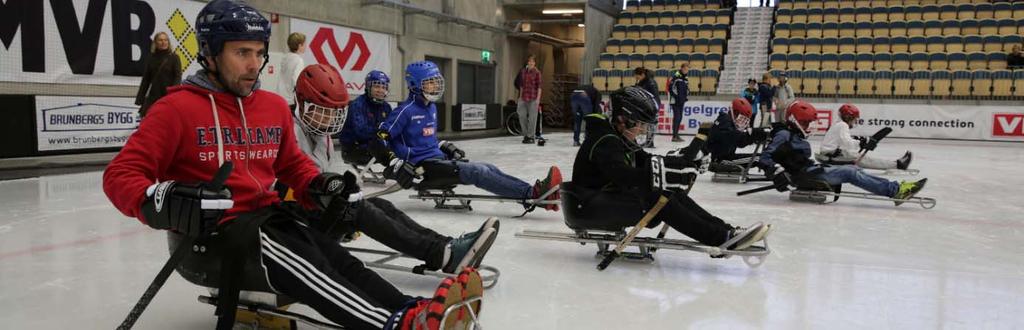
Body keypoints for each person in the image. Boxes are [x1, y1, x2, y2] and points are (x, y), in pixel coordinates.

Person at [101, 2, 481, 329]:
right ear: (211, 54)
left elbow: (293, 165)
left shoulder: (269, 108)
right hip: (212, 242)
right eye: (242, 53)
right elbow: (120, 175)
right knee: (304, 262)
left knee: (335, 258)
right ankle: (392, 324)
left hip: (267, 218)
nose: (254, 64)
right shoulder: (175, 109)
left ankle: (408, 308)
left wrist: (319, 183)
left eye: (259, 52)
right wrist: (160, 199)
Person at [288, 63, 499, 275]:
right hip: (299, 223)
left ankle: (447, 246)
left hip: (321, 209)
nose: (328, 119)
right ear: (301, 102)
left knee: (382, 205)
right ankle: (441, 254)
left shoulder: (321, 134)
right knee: (360, 209)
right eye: (322, 112)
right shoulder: (289, 132)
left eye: (333, 112)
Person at [568, 87, 772, 252]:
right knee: (657, 198)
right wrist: (665, 175)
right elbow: (623, 176)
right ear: (623, 119)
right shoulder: (605, 140)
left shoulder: (616, 138)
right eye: (640, 124)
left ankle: (725, 230)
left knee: (669, 191)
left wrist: (684, 164)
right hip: (587, 207)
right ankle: (721, 237)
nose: (641, 130)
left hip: (599, 201)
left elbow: (649, 161)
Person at [376, 60, 562, 211]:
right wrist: (394, 163)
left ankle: (532, 191)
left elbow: (426, 139)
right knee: (478, 172)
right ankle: (533, 194)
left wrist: (442, 145)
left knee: (488, 167)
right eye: (429, 82)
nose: (435, 86)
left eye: (436, 81)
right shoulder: (405, 111)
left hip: (437, 160)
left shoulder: (430, 107)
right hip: (422, 168)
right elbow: (379, 138)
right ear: (415, 85)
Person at [758, 101, 927, 206]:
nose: (809, 126)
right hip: (803, 176)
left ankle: (896, 187)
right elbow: (765, 157)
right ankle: (896, 191)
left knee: (856, 170)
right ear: (795, 121)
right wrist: (776, 171)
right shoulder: (783, 135)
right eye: (806, 122)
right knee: (850, 171)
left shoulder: (793, 135)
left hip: (809, 170)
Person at [815, 104, 912, 170]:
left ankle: (894, 163)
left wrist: (857, 140)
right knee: (863, 159)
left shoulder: (838, 124)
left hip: (830, 154)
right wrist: (860, 142)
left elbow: (842, 141)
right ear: (848, 117)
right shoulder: (843, 125)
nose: (855, 121)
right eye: (854, 119)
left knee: (857, 155)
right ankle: (897, 165)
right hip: (831, 156)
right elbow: (847, 143)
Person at [336, 70, 393, 166]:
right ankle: (396, 173)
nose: (380, 90)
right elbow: (362, 132)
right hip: (353, 149)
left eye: (384, 87)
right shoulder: (357, 105)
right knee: (388, 151)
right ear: (368, 87)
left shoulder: (386, 107)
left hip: (375, 145)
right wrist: (382, 134)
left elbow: (391, 128)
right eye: (376, 86)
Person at [707, 98, 770, 172]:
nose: (742, 122)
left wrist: (755, 134)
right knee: (759, 158)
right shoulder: (724, 123)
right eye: (742, 118)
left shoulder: (727, 122)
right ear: (735, 113)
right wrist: (755, 133)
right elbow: (740, 140)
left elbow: (740, 141)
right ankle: (775, 173)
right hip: (721, 161)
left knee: (761, 157)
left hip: (725, 158)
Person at [135, 31, 182, 117]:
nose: (163, 42)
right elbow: (146, 80)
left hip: (168, 96)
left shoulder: (174, 58)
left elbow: (178, 77)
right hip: (154, 96)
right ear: (155, 43)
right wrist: (140, 98)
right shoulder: (151, 58)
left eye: (165, 40)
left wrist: (172, 94)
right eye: (160, 40)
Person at [517, 55, 543, 144]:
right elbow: (521, 85)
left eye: (532, 61)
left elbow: (539, 87)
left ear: (535, 63)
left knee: (532, 118)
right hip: (523, 97)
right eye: (529, 61)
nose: (531, 63)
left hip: (533, 98)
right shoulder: (523, 71)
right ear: (527, 62)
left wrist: (538, 100)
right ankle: (526, 135)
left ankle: (531, 136)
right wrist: (520, 97)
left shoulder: (537, 73)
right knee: (521, 115)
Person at [278, 32, 306, 111]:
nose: (305, 46)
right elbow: (297, 81)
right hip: (291, 101)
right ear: (300, 46)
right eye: (304, 44)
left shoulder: (285, 58)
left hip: (280, 97)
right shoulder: (299, 60)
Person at [633, 67, 660, 148]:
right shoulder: (642, 81)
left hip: (652, 105)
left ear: (642, 75)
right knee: (645, 123)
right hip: (646, 105)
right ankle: (647, 142)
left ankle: (650, 143)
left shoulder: (650, 82)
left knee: (651, 123)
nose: (636, 78)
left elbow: (653, 96)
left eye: (637, 77)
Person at [668, 63, 690, 142]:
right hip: (675, 101)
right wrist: (677, 97)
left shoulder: (685, 78)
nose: (686, 71)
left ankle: (676, 135)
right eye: (685, 69)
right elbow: (670, 89)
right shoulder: (676, 76)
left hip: (682, 101)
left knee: (680, 117)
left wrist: (685, 97)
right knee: (677, 117)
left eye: (687, 69)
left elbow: (687, 89)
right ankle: (674, 136)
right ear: (682, 68)